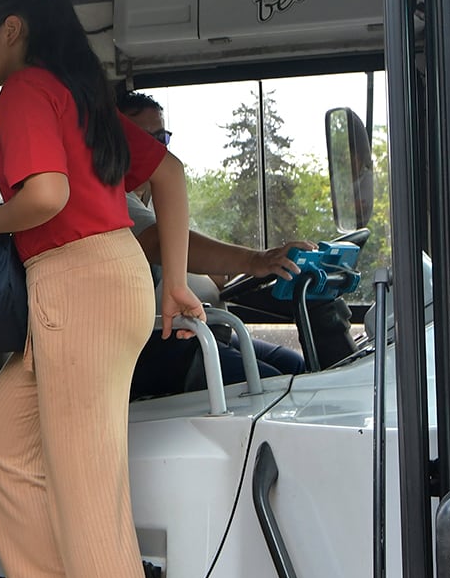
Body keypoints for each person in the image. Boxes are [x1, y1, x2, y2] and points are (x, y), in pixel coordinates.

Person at [0, 0, 203, 578]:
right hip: (102, 279)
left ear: (13, 31)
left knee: (88, 494)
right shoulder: (77, 94)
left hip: (76, 284)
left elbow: (46, 197)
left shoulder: (26, 91)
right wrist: (174, 280)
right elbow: (170, 174)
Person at [118, 92, 309, 397]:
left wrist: (230, 274)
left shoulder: (156, 200)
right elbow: (158, 242)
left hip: (207, 329)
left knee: (296, 367)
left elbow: (190, 258)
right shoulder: (116, 200)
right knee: (279, 388)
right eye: (142, 137)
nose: (155, 147)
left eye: (161, 137)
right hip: (165, 345)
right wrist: (255, 260)